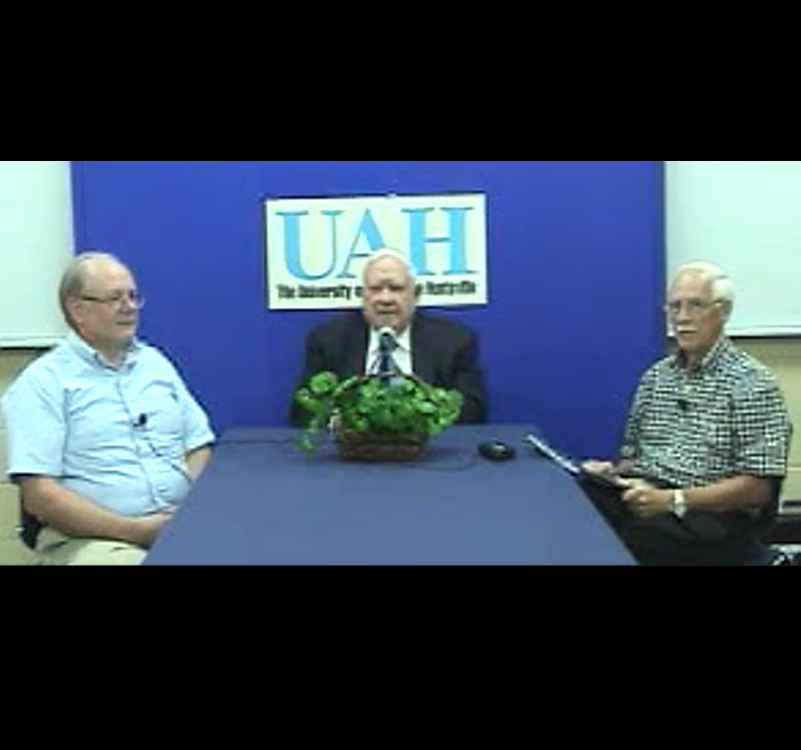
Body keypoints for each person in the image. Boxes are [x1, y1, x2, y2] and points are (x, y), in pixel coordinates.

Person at [1, 252, 215, 565]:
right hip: (93, 540)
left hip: (180, 525)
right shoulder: (43, 383)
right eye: (115, 298)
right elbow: (39, 495)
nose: (129, 307)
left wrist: (188, 508)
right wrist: (136, 531)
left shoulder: (155, 364)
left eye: (133, 296)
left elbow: (197, 445)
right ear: (77, 309)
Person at [581, 261, 792, 566]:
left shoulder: (752, 383)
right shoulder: (657, 377)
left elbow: (759, 488)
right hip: (649, 495)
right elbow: (634, 456)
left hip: (712, 513)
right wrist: (612, 473)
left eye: (695, 305)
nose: (682, 318)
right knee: (582, 501)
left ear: (722, 311)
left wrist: (673, 500)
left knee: (638, 539)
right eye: (674, 307)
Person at [290, 248, 487, 425]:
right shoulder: (328, 339)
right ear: (362, 295)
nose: (385, 299)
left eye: (396, 289)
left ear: (416, 294)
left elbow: (473, 410)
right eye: (376, 289)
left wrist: (419, 419)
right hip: (352, 448)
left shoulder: (453, 340)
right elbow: (303, 410)